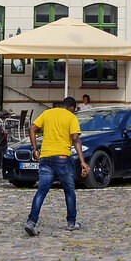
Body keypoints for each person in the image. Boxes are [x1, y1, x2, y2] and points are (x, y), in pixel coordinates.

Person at [24, 97, 90, 236]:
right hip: (63, 160)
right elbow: (76, 139)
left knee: (41, 192)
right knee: (69, 191)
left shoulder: (48, 113)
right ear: (72, 108)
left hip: (46, 159)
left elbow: (32, 129)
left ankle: (31, 222)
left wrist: (35, 149)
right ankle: (71, 223)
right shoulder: (71, 118)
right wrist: (83, 161)